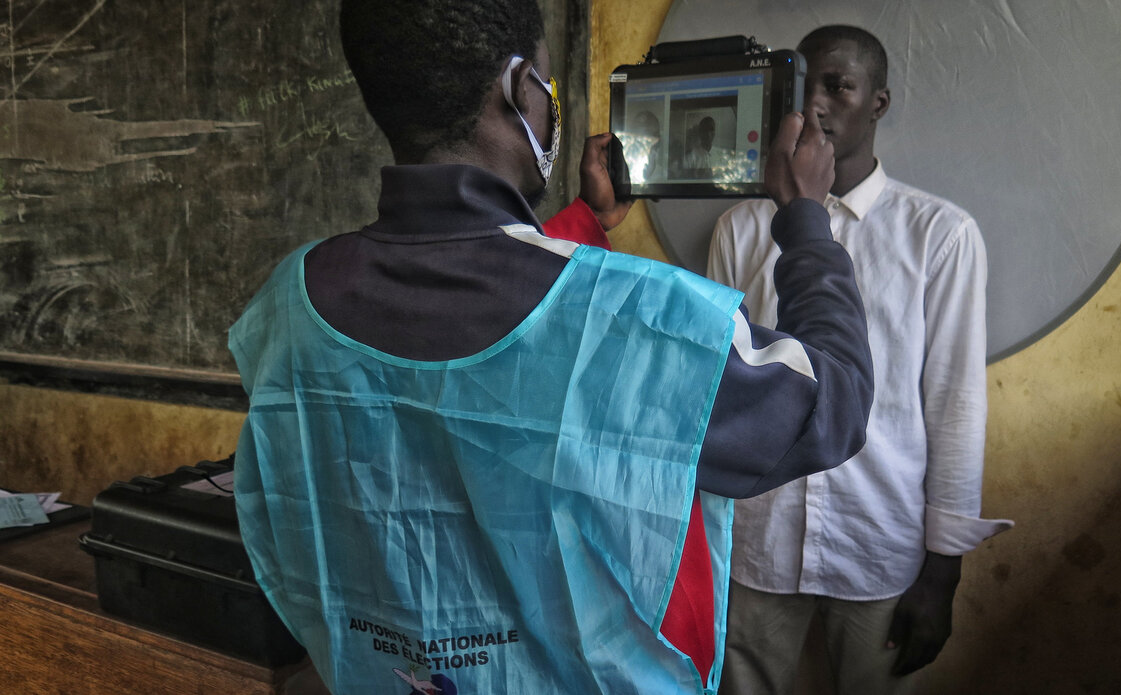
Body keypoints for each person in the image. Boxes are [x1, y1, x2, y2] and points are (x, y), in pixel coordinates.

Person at [229, 1, 873, 692]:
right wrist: (806, 217)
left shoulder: (287, 305)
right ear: (519, 89)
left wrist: (587, 222)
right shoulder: (642, 317)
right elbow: (831, 401)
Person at [708, 25, 1014, 695]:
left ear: (877, 102)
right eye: (802, 87)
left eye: (838, 86)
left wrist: (944, 569)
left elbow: (954, 402)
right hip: (760, 541)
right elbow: (721, 389)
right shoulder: (741, 230)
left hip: (880, 541)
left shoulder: (939, 236)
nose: (814, 105)